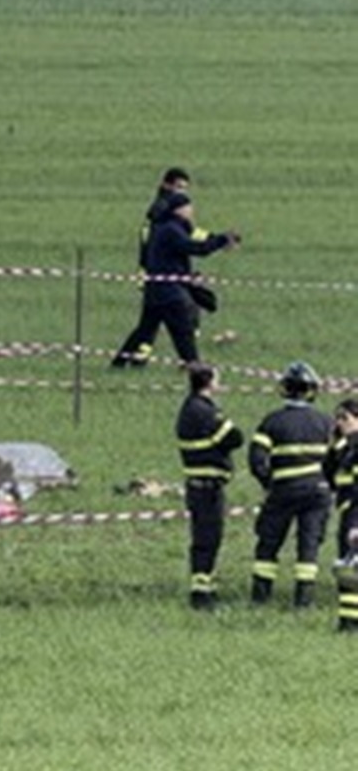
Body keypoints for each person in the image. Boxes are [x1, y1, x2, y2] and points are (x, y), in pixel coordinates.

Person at [248, 361, 334, 608]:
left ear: (285, 388)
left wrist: (269, 482)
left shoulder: (272, 422)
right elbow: (339, 457)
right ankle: (303, 600)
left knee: (269, 543)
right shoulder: (325, 422)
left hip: (283, 491)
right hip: (317, 494)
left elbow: (256, 459)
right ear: (311, 390)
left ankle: (260, 598)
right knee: (309, 546)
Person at [129, 192, 240, 366]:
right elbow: (195, 248)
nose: (191, 210)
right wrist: (222, 240)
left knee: (145, 330)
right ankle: (194, 367)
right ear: (178, 210)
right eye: (188, 206)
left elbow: (198, 241)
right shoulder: (171, 230)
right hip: (168, 291)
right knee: (182, 331)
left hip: (156, 289)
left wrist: (220, 240)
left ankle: (120, 364)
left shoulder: (170, 227)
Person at [176, 362, 244, 609]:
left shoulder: (190, 408)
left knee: (206, 538)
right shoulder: (204, 411)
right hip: (207, 487)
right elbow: (235, 437)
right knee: (208, 538)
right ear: (209, 383)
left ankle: (206, 586)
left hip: (199, 485)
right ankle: (201, 595)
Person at [112, 168, 194, 368]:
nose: (181, 193)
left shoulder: (168, 207)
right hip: (160, 275)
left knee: (148, 324)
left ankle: (125, 360)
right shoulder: (163, 210)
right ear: (166, 184)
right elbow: (182, 241)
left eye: (184, 189)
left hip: (161, 275)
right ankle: (191, 364)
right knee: (176, 323)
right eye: (178, 187)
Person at [325, 397, 358, 631]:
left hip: (355, 514)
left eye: (345, 418)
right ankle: (348, 621)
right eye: (337, 418)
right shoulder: (345, 447)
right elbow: (328, 472)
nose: (339, 423)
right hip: (347, 512)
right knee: (348, 569)